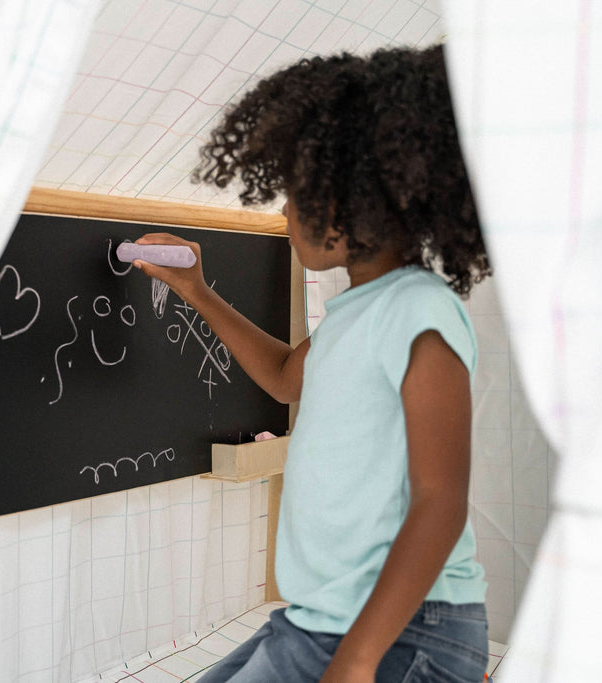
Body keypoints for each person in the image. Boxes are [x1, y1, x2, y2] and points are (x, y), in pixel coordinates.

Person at [131, 45, 491, 682]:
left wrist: (359, 658)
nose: (284, 210)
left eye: (296, 193)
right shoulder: (354, 311)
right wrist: (199, 293)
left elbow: (441, 502)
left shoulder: (418, 311)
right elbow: (282, 378)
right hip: (322, 619)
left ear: (353, 201)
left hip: (405, 631)